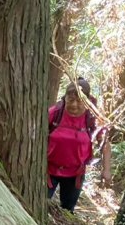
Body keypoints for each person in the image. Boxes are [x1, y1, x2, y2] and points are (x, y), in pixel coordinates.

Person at [47, 77, 111, 212]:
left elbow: (105, 142)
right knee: (41, 203)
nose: (74, 105)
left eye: (79, 101)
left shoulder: (93, 118)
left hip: (75, 174)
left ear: (87, 101)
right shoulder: (55, 113)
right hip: (48, 171)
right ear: (65, 99)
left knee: (67, 209)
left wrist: (106, 170)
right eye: (70, 100)